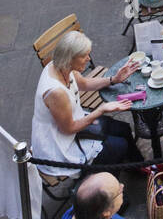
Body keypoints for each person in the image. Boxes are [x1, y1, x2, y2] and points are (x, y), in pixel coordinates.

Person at [31, 29, 140, 178]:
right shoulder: (56, 93)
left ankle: (138, 167)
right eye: (84, 56)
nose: (89, 58)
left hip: (73, 121)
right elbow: (69, 129)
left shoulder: (63, 66)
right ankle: (105, 189)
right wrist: (101, 110)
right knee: (118, 146)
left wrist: (114, 79)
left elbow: (84, 84)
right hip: (59, 144)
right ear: (70, 57)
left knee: (124, 129)